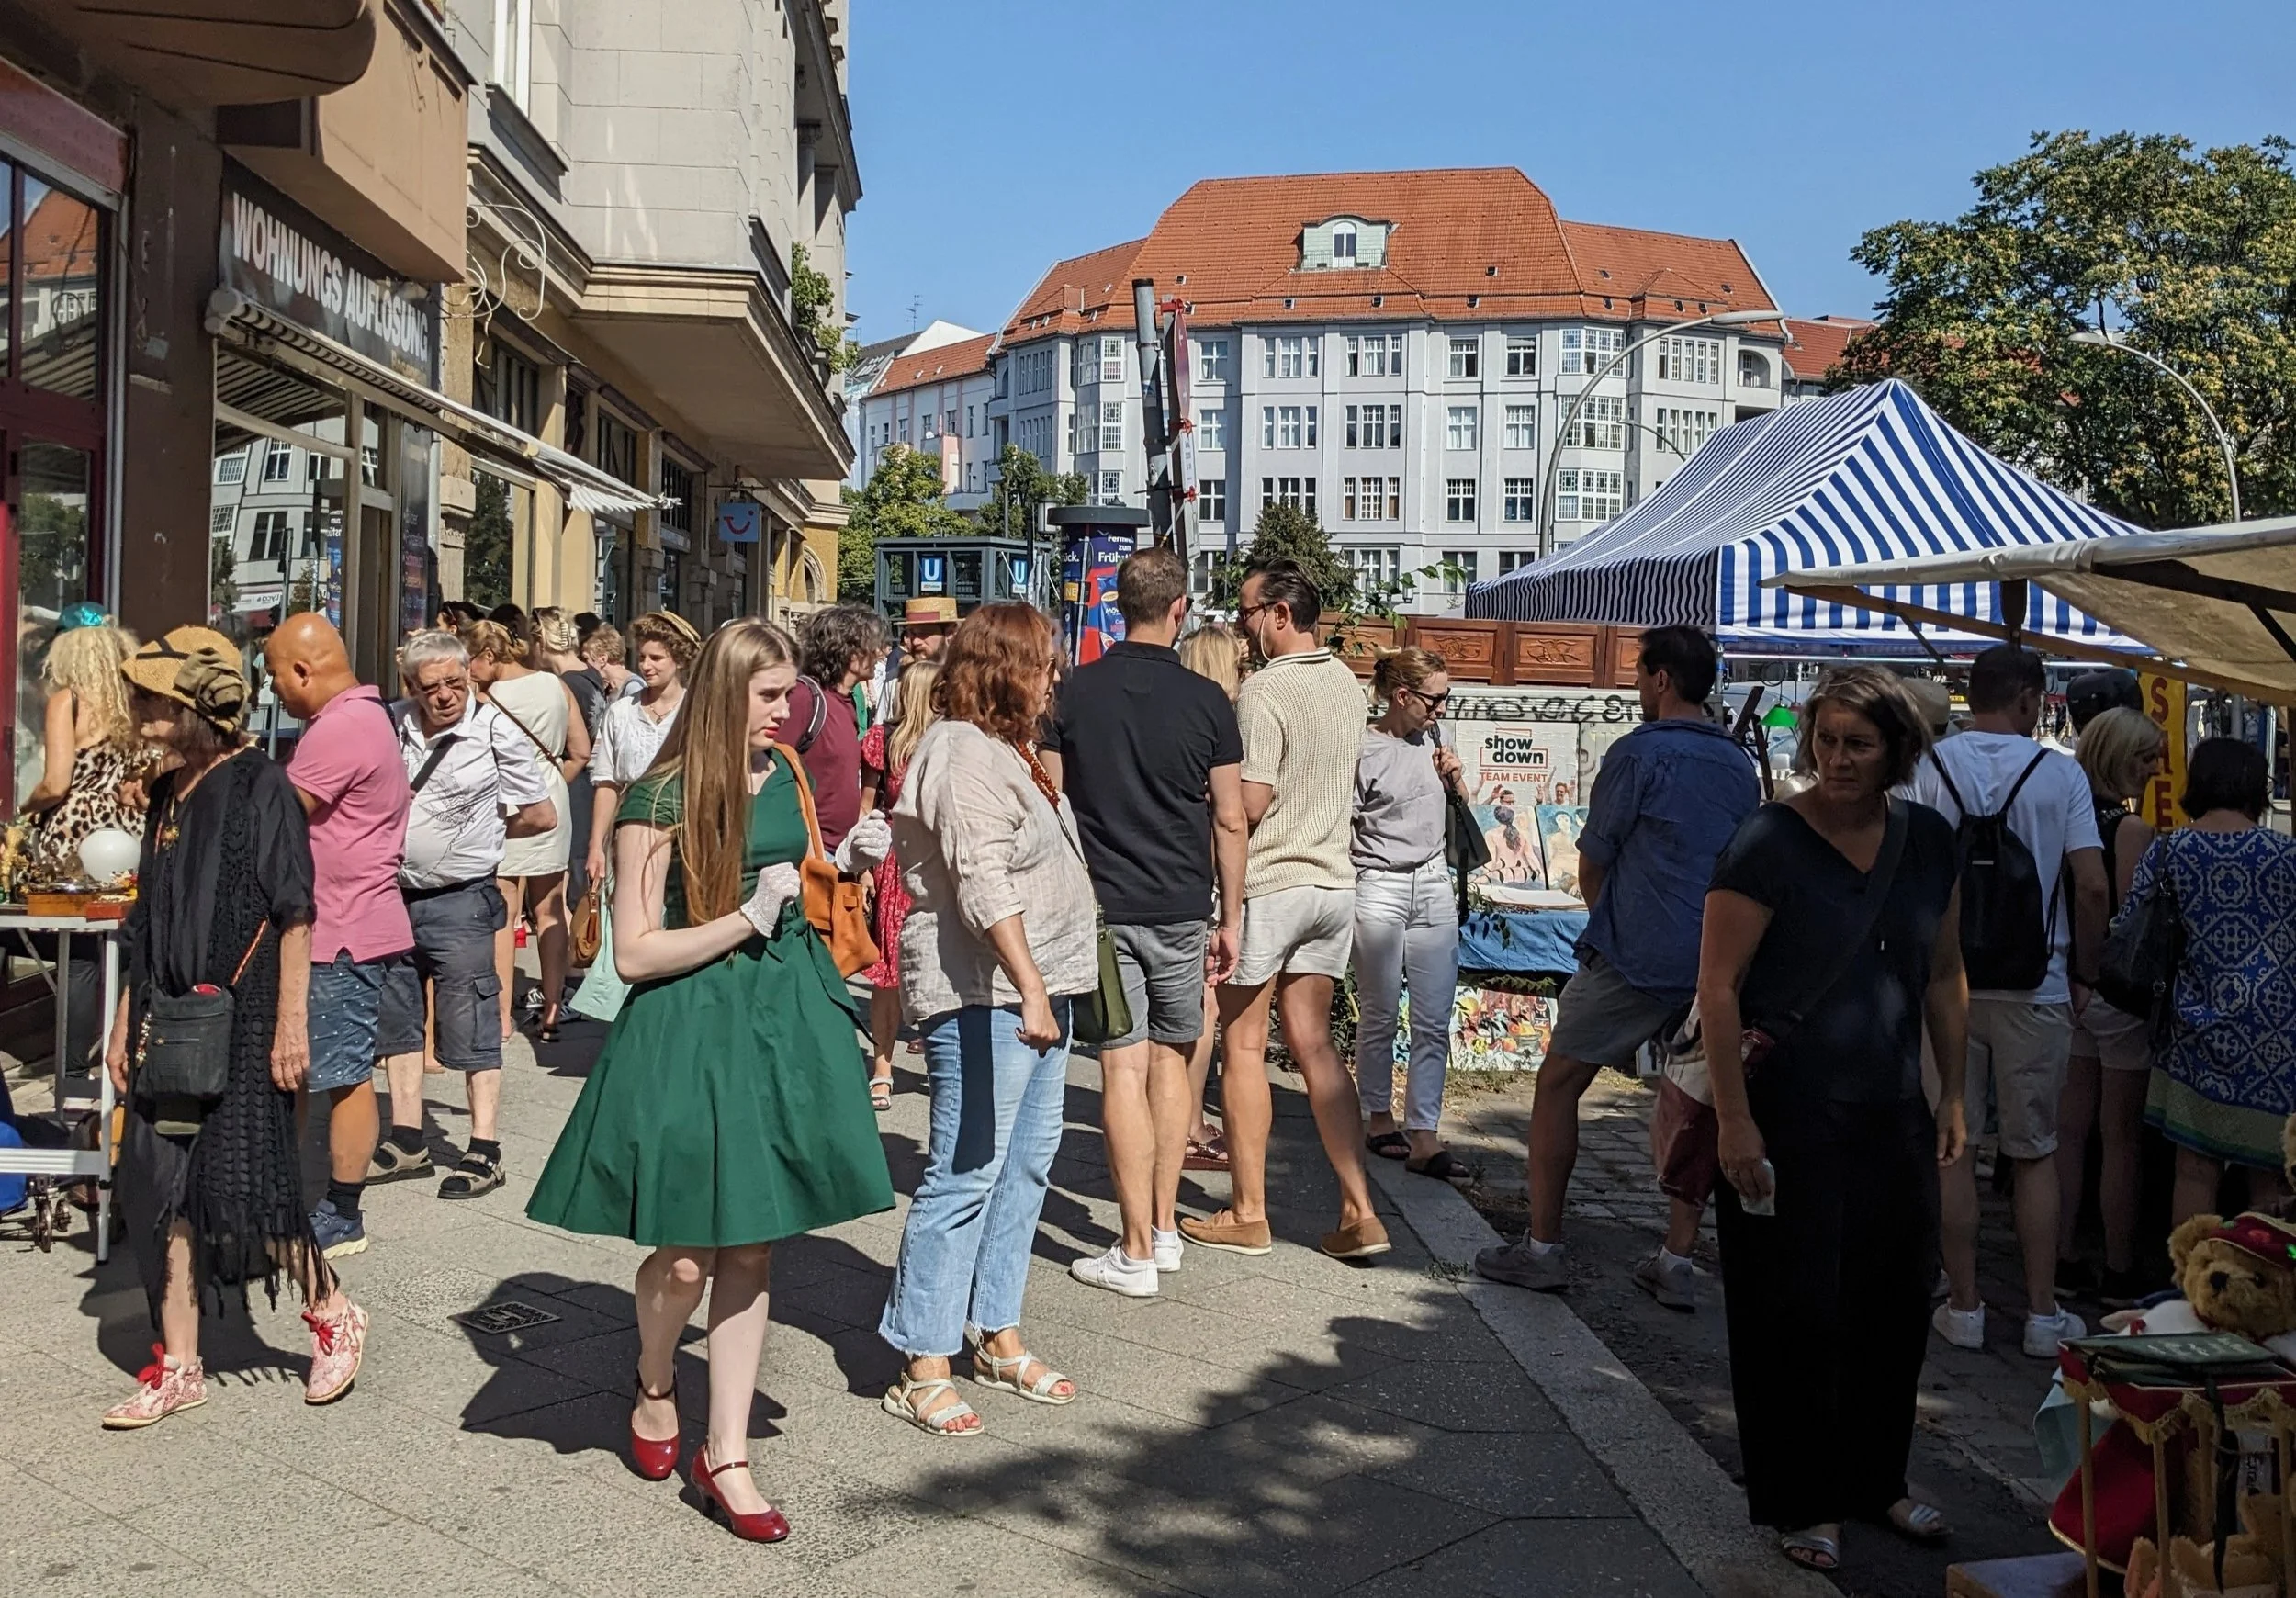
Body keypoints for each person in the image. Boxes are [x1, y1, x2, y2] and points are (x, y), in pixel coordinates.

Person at [528, 619, 895, 1541]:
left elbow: (804, 888)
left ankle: (725, 1451)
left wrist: (840, 865)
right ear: (728, 693)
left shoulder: (789, 775)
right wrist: (745, 915)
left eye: (789, 694)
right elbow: (639, 952)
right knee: (687, 1251)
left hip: (780, 1021)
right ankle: (655, 1380)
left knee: (754, 1242)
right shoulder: (657, 798)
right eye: (771, 695)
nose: (789, 709)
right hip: (689, 1022)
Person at [1698, 666, 1967, 1576]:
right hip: (1786, 1109)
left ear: (1896, 748)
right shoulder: (1766, 840)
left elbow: (1942, 974)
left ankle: (1874, 1479)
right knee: (1793, 1309)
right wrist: (1734, 1123)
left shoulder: (1928, 840)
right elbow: (1719, 986)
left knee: (1893, 1300)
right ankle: (1799, 1497)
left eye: (1858, 742)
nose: (1837, 758)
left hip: (1890, 1106)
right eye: (1826, 739)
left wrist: (1956, 1091)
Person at [101, 626, 369, 1426]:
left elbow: (295, 911)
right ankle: (179, 1364)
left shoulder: (261, 786)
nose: (140, 711)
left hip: (244, 1017)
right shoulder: (163, 793)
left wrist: (293, 1024)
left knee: (245, 1183)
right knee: (159, 1187)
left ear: (195, 708)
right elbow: (145, 921)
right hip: (164, 1015)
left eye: (154, 700)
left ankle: (330, 1310)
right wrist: (122, 1021)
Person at [1477, 627, 1759, 1307]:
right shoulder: (1738, 763)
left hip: (1640, 952)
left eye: (1640, 676)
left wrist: (1611, 924)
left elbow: (1594, 857)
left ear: (1661, 679)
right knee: (1700, 1103)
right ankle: (1676, 1258)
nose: (1637, 688)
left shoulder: (1640, 755)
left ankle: (1542, 1246)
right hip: (1719, 959)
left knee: (1559, 1083)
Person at [879, 603, 1097, 1435]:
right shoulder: (961, 752)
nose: (1055, 678)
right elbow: (982, 882)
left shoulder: (1005, 749)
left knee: (1025, 1167)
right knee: (964, 1171)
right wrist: (1032, 987)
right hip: (986, 994)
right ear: (1005, 667)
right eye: (1044, 663)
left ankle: (997, 1332)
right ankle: (923, 1358)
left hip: (1033, 993)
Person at [1041, 548, 1245, 1298]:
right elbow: (1229, 817)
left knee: (1119, 1069)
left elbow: (1053, 803)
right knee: (1172, 1063)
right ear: (1181, 608)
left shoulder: (1072, 693)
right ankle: (1161, 1229)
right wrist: (1231, 915)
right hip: (1184, 905)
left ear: (1117, 606)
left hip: (1104, 907)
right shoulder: (1209, 702)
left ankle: (1130, 1251)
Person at [1178, 560, 1390, 1262]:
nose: (1240, 626)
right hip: (1334, 882)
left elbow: (1252, 802)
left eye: (1246, 612)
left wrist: (1206, 803)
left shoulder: (1265, 691)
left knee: (1241, 1049)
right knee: (1317, 1045)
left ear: (1278, 614)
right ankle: (1360, 1207)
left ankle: (1248, 1210)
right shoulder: (1346, 684)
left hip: (1273, 880)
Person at [1908, 644, 2107, 1359]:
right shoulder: (2062, 775)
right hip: (2038, 985)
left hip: (1944, 984)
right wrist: (2085, 971)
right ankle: (2043, 1316)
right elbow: (2089, 884)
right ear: (2029, 698)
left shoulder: (1929, 769)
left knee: (1950, 1145)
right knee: (2035, 1153)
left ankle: (1963, 1306)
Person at [370, 631, 555, 1201]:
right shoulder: (391, 723)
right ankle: (406, 1136)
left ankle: (484, 1148)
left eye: (457, 682)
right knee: (397, 1015)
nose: (447, 695)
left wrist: (480, 838)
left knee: (471, 1016)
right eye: (434, 687)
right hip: (393, 895)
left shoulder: (495, 731)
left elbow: (541, 815)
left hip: (462, 897)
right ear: (411, 687)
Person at [265, 615, 411, 1261]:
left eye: (276, 676)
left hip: (341, 929)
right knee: (310, 1074)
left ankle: (342, 1212)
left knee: (341, 1075)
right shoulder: (361, 717)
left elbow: (276, 816)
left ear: (304, 670)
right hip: (344, 923)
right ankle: (288, 1195)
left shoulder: (342, 726)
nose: (275, 691)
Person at [2133, 738, 2296, 1222]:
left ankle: (2192, 1282)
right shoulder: (2286, 854)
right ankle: (2262, 1285)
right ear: (2254, 785)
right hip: (2276, 1034)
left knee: (2194, 1168)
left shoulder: (2170, 850)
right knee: (2268, 1173)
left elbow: (2128, 924)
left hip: (2194, 1025)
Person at [2054, 707, 2167, 1305]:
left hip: (2066, 987)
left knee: (2070, 1131)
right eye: (2147, 756)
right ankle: (2121, 1266)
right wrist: (2096, 974)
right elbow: (2122, 911)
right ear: (2119, 757)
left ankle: (2062, 1256)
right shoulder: (2130, 831)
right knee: (2119, 1136)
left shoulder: (2064, 817)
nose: (2155, 768)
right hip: (2112, 991)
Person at [1352, 647, 1466, 1179]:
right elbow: (1345, 821)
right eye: (1436, 698)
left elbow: (1460, 809)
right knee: (1379, 1011)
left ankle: (1424, 1131)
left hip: (1434, 880)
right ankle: (1378, 1117)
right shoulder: (1365, 749)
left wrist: (1455, 780)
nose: (1442, 708)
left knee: (1433, 1017)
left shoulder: (1437, 741)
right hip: (1380, 881)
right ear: (1403, 697)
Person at [464, 619, 591, 1042]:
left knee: (504, 912)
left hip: (504, 800)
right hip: (552, 797)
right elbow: (581, 751)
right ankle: (553, 1009)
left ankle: (500, 1017)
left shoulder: (484, 695)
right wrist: (554, 781)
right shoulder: (556, 685)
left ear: (488, 655)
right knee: (549, 908)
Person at [1176, 622, 1246, 1170]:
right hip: (1208, 873)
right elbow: (1233, 814)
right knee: (1204, 1003)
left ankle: (1180, 1113)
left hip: (1171, 868)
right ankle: (1190, 1121)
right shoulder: (1226, 719)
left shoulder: (1180, 715)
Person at [857, 660, 939, 1111]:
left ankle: (940, 1061)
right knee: (888, 977)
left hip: (936, 864)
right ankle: (882, 1068)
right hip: (893, 861)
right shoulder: (883, 740)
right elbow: (866, 806)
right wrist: (865, 866)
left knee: (937, 970)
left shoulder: (949, 742)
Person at [24, 606, 143, 874]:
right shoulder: (134, 702)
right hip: (126, 826)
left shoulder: (68, 701)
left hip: (74, 828)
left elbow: (55, 786)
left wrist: (20, 809)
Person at [584, 613, 696, 891]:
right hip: (627, 836)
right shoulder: (621, 712)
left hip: (683, 841)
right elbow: (607, 783)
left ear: (679, 659)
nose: (646, 666)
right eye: (642, 657)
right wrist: (596, 844)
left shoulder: (695, 712)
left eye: (656, 658)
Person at [787, 604, 885, 853]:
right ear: (848, 651)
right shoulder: (804, 698)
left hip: (843, 852)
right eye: (870, 645)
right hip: (812, 854)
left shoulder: (848, 702)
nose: (878, 653)